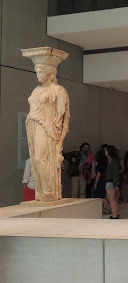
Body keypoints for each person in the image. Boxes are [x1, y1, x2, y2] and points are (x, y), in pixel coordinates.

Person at [23, 48, 70, 202]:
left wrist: (59, 139)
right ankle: (41, 191)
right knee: (36, 158)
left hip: (47, 128)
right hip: (33, 126)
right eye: (37, 72)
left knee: (41, 158)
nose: (39, 75)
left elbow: (63, 117)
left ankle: (49, 190)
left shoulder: (58, 90)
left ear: (50, 73)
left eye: (41, 72)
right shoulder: (36, 90)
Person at [105, 145, 121, 219]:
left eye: (106, 150)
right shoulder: (112, 161)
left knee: (111, 200)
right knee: (113, 199)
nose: (105, 152)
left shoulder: (113, 161)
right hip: (111, 182)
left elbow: (115, 173)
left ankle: (114, 215)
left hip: (111, 182)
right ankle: (116, 214)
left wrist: (115, 183)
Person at [92, 150, 109, 214]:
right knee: (103, 195)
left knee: (100, 196)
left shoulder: (100, 164)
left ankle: (108, 208)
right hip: (105, 180)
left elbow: (98, 174)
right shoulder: (106, 163)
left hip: (100, 181)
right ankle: (106, 208)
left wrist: (96, 182)